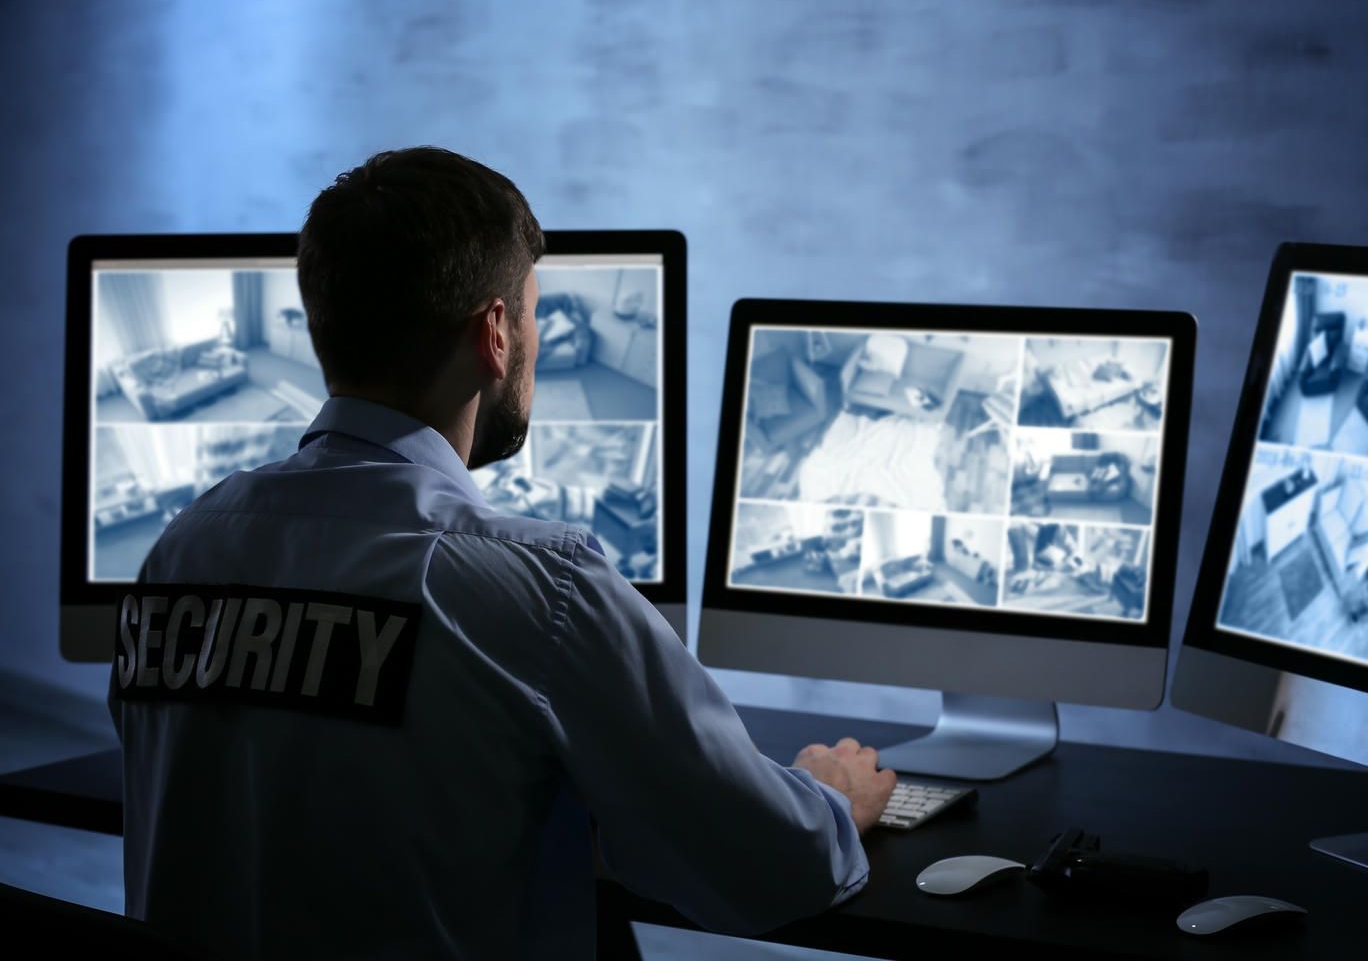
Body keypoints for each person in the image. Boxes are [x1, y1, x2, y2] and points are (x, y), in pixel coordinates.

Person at [109, 147, 896, 958]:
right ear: (495, 334)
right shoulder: (541, 585)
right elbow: (765, 861)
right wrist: (829, 799)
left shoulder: (181, 546)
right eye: (529, 313)